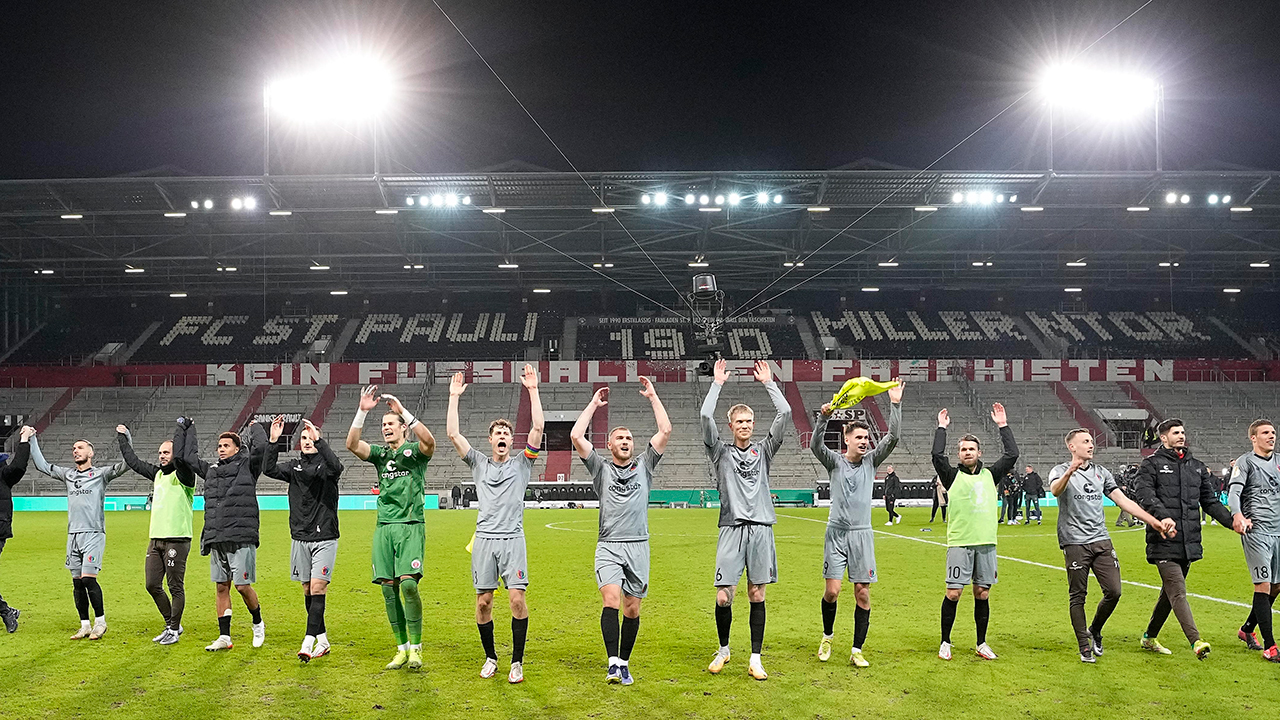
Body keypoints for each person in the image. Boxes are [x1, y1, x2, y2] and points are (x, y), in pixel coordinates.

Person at [569, 377, 672, 685]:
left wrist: (653, 396)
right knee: (611, 600)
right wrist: (593, 405)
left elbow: (665, 431)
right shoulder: (600, 468)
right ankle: (612, 663)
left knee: (632, 607)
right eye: (619, 438)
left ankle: (624, 662)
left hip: (639, 545)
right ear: (609, 445)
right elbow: (576, 435)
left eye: (629, 438)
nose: (626, 441)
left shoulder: (645, 465)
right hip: (610, 545)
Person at [447, 365, 544, 684]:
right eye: (498, 434)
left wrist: (532, 390)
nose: (503, 437)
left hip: (513, 540)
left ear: (511, 440)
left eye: (506, 433)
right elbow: (452, 434)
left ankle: (517, 662)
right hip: (485, 540)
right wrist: (453, 398)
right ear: (490, 440)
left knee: (517, 599)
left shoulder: (523, 463)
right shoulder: (478, 463)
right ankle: (490, 657)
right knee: (484, 602)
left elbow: (538, 429)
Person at [1049, 429, 1174, 663]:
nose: (1091, 445)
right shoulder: (1059, 470)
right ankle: (1084, 646)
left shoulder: (1101, 473)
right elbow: (1056, 490)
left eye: (1091, 442)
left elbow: (1123, 500)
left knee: (1114, 591)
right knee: (1078, 596)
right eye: (1085, 442)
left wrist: (1154, 521)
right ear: (1072, 447)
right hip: (1074, 541)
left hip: (1101, 540)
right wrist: (1070, 471)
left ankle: (1094, 629)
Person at [702, 359, 792, 681]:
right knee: (724, 595)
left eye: (749, 420)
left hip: (761, 530)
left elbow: (785, 415)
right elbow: (703, 416)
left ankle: (755, 658)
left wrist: (770, 383)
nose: (745, 424)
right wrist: (717, 384)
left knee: (757, 594)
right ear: (731, 426)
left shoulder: (764, 451)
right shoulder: (720, 452)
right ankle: (724, 649)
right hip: (731, 528)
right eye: (739, 420)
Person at [813, 380, 903, 668]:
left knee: (862, 593)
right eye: (860, 437)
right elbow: (815, 444)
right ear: (847, 438)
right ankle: (827, 636)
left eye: (867, 437)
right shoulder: (834, 462)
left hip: (862, 536)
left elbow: (893, 437)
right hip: (836, 534)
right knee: (832, 591)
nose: (865, 441)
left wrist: (896, 404)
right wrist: (823, 418)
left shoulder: (872, 461)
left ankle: (856, 649)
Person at [346, 385, 436, 672]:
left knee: (408, 585)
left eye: (390, 423)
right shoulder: (380, 455)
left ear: (402, 428)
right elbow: (351, 444)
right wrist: (362, 411)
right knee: (388, 589)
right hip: (384, 527)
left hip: (410, 526)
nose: (385, 428)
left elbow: (430, 441)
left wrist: (404, 412)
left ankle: (417, 648)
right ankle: (402, 649)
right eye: (383, 425)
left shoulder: (414, 453)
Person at [1131, 418, 1234, 659]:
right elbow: (1144, 494)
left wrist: (1232, 522)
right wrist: (1162, 517)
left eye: (1183, 432)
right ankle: (1196, 641)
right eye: (1175, 432)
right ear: (1163, 437)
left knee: (1168, 595)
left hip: (1188, 542)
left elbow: (1209, 502)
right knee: (1178, 591)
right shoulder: (1151, 465)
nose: (1181, 435)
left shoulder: (1196, 466)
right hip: (1163, 539)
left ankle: (1148, 638)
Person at [932, 404, 1018, 661]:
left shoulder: (991, 474)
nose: (967, 452)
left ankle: (981, 643)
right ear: (958, 455)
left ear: (979, 452)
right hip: (960, 542)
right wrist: (941, 429)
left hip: (987, 544)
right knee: (954, 593)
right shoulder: (951, 476)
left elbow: (1012, 454)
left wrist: (1003, 425)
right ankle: (945, 641)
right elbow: (937, 456)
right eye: (963, 449)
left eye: (971, 449)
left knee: (982, 593)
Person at [175, 416, 268, 651]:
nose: (222, 449)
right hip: (216, 536)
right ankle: (224, 637)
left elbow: (262, 448)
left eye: (226, 446)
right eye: (219, 446)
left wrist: (255, 426)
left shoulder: (247, 466)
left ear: (237, 449)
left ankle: (257, 622)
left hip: (241, 535)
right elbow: (188, 458)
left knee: (242, 586)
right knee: (221, 587)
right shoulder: (211, 471)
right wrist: (189, 428)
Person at [29, 428, 128, 640]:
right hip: (72, 535)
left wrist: (125, 437)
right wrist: (32, 438)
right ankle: (84, 625)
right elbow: (42, 466)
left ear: (91, 453)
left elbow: (126, 465)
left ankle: (100, 622)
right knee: (77, 583)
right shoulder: (68, 475)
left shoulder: (101, 474)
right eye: (74, 448)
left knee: (88, 580)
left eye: (80, 447)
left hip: (93, 533)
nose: (76, 451)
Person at [264, 416, 343, 662]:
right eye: (304, 438)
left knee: (318, 586)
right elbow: (268, 469)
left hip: (325, 536)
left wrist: (321, 443)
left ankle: (307, 642)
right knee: (308, 589)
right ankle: (323, 641)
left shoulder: (327, 468)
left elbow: (337, 467)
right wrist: (273, 441)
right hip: (299, 536)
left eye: (312, 437)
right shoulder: (294, 466)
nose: (307, 441)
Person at [117, 424, 195, 645]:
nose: (161, 456)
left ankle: (172, 630)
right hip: (155, 540)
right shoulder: (158, 475)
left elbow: (181, 460)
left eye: (166, 452)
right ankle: (172, 624)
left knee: (175, 586)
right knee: (152, 585)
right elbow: (133, 462)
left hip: (177, 539)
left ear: (175, 455)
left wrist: (181, 432)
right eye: (160, 452)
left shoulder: (185, 477)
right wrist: (122, 436)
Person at [1227, 419, 1280, 661]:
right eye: (1266, 433)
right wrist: (1237, 514)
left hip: (1279, 531)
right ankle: (1271, 647)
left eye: (1273, 432)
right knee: (1263, 584)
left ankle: (1247, 629)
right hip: (1256, 531)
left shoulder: (1279, 462)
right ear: (1253, 437)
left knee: (1277, 586)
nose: (1271, 436)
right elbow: (1234, 492)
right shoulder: (1245, 462)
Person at [0, 427, 32, 633]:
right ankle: (6, 611)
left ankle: (5, 612)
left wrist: (24, 439)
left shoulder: (4, 474)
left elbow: (19, 467)